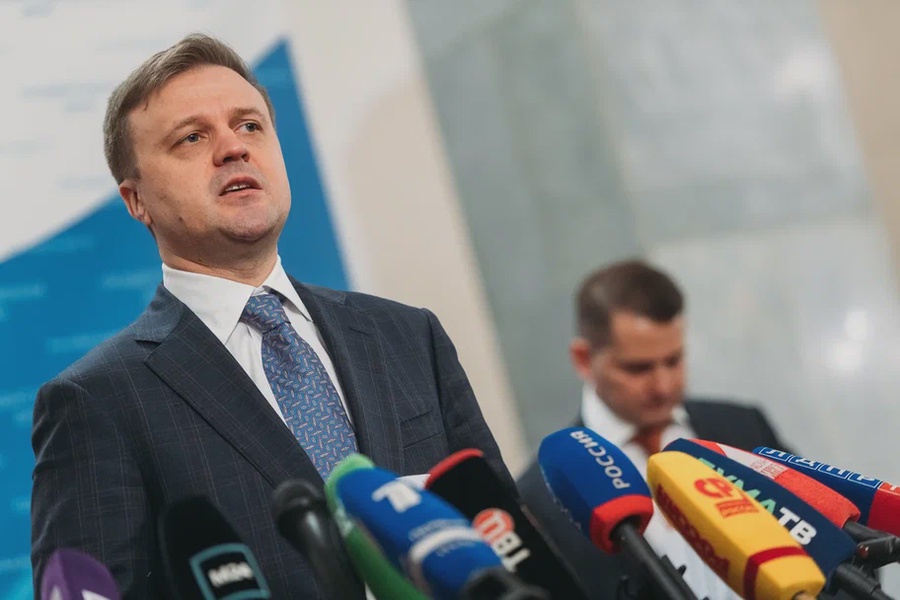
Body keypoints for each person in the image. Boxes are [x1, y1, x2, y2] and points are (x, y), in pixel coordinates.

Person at [31, 33, 511, 598]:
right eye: (192, 137)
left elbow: (510, 541)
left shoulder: (407, 336)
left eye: (250, 125)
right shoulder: (97, 400)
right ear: (136, 200)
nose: (234, 148)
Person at [517, 259, 790, 599]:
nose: (663, 385)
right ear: (584, 359)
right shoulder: (539, 498)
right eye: (638, 368)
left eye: (674, 360)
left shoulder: (744, 427)